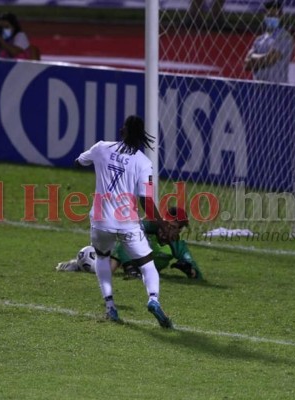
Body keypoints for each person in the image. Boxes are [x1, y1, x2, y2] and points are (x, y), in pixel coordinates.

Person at [74, 115, 173, 328]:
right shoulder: (143, 162)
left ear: (122, 132)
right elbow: (146, 200)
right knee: (147, 263)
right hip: (128, 222)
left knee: (102, 257)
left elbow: (79, 161)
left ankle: (110, 306)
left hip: (101, 219)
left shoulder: (101, 148)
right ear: (140, 138)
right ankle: (153, 299)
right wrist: (162, 224)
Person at [56, 207, 203, 281]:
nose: (168, 230)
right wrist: (129, 266)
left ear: (179, 231)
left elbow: (198, 275)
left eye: (174, 228)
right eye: (167, 225)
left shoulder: (178, 247)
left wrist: (189, 270)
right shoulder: (149, 227)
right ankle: (81, 263)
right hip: (121, 253)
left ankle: (84, 262)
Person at [244, 1, 293, 83]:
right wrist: (266, 56)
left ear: (281, 16)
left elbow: (271, 60)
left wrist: (252, 58)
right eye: (269, 16)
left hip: (278, 89)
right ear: (264, 16)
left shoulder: (285, 37)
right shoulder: (259, 40)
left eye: (274, 16)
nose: (271, 18)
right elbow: (246, 65)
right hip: (257, 89)